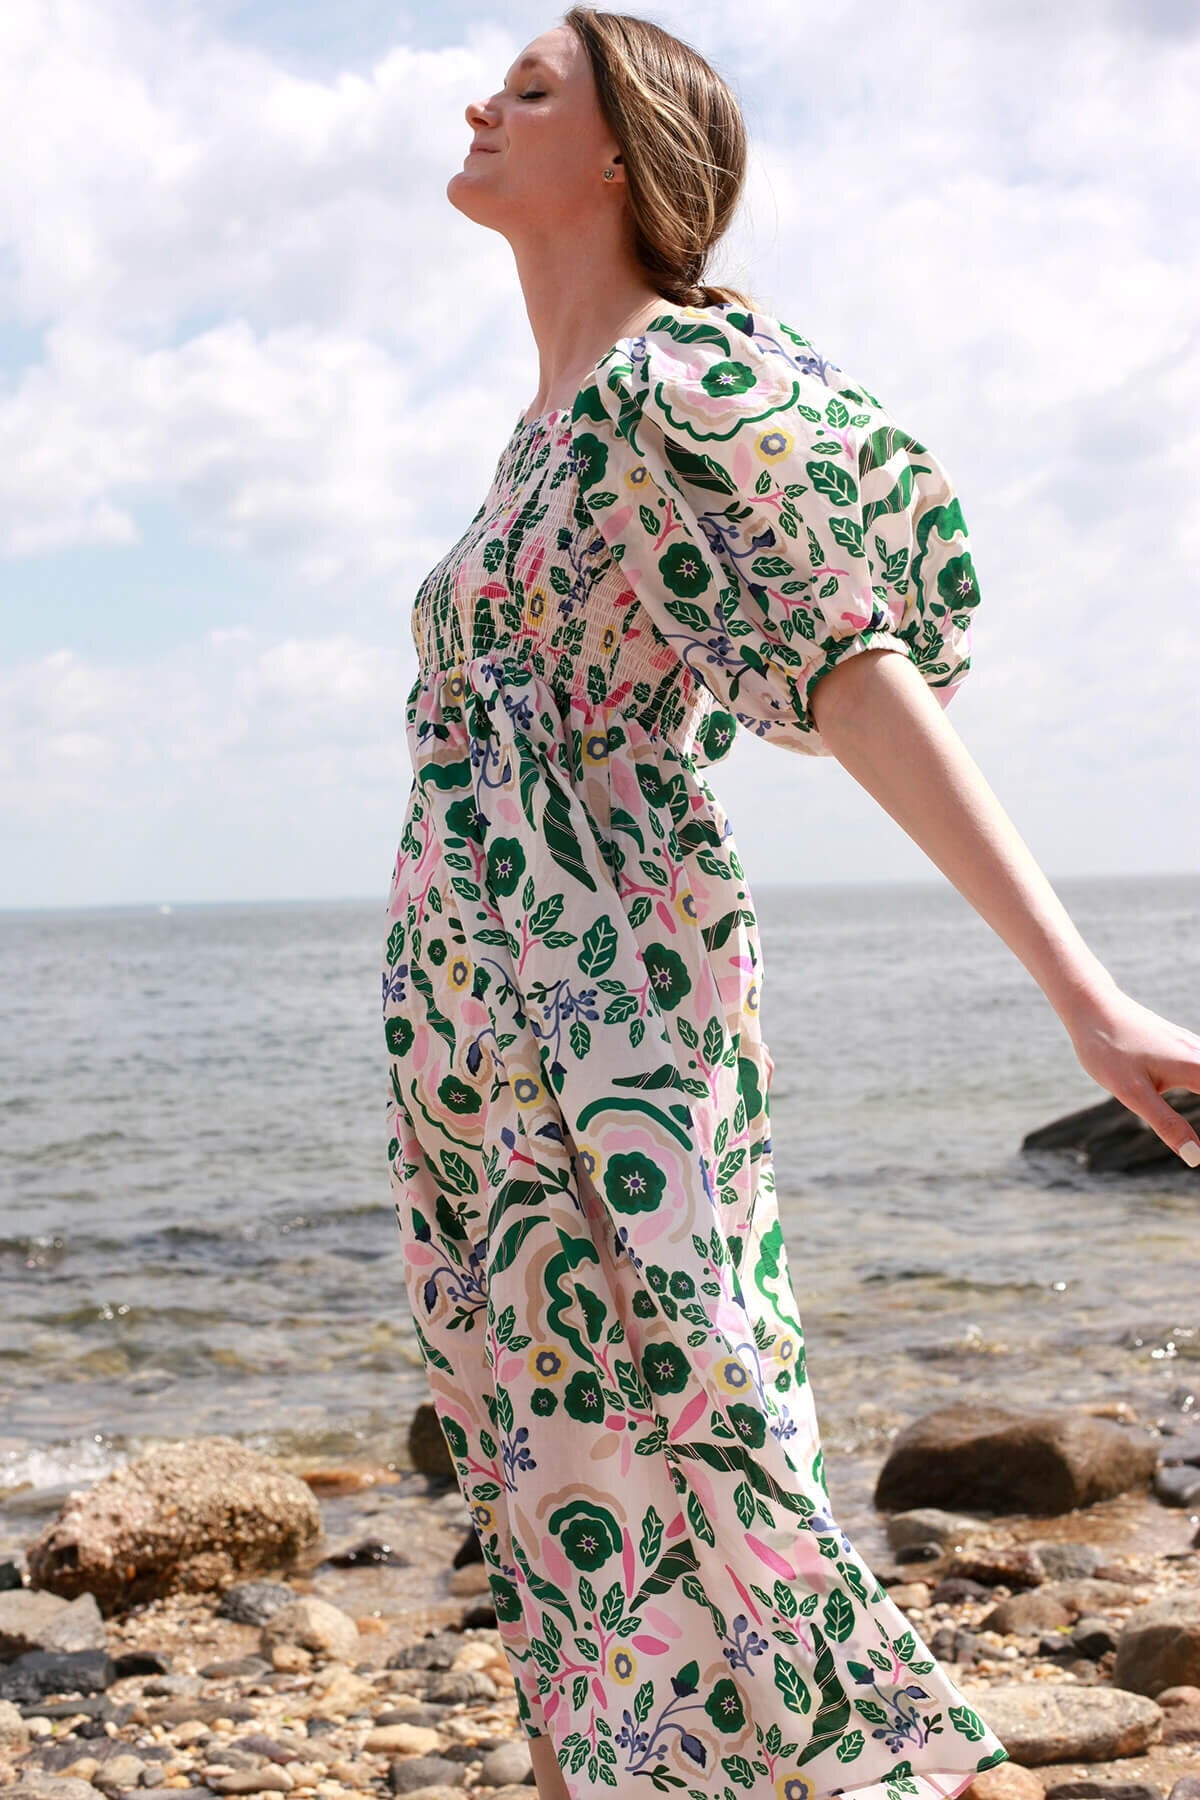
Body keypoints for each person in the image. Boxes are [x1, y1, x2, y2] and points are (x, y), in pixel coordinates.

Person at [381, 9, 1200, 1798]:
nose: (481, 100)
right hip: (481, 1026)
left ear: (622, 155)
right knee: (554, 1457)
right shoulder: (539, 432)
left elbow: (851, 667)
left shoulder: (673, 387)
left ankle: (925, 1771)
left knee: (712, 1418)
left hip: (615, 995)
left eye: (532, 88)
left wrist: (1083, 995)